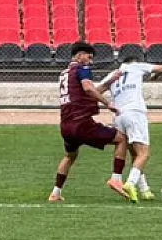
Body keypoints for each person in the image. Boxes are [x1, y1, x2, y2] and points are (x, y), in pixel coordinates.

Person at [49, 42, 127, 202]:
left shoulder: (65, 73)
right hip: (81, 123)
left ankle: (55, 193)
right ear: (79, 55)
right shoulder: (82, 69)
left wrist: (110, 80)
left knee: (70, 156)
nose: (90, 62)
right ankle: (116, 179)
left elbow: (90, 91)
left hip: (66, 125)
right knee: (122, 139)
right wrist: (108, 104)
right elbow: (88, 89)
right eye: (89, 57)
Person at [100, 58, 162, 202]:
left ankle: (145, 190)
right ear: (135, 61)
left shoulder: (113, 74)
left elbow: (96, 90)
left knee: (135, 153)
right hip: (135, 113)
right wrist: (154, 76)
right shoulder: (137, 66)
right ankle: (130, 183)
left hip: (119, 116)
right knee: (144, 153)